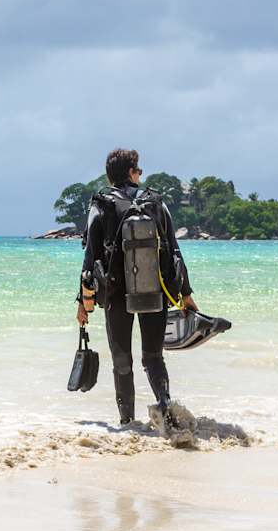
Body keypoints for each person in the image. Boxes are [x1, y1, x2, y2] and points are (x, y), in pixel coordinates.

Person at [77, 148, 200, 426]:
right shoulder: (155, 202)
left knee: (123, 361)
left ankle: (128, 423)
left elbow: (91, 256)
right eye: (139, 170)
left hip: (115, 292)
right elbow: (175, 250)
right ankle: (166, 408)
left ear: (110, 176)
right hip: (155, 292)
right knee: (153, 357)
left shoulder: (102, 204)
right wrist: (186, 294)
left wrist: (82, 301)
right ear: (132, 173)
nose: (140, 175)